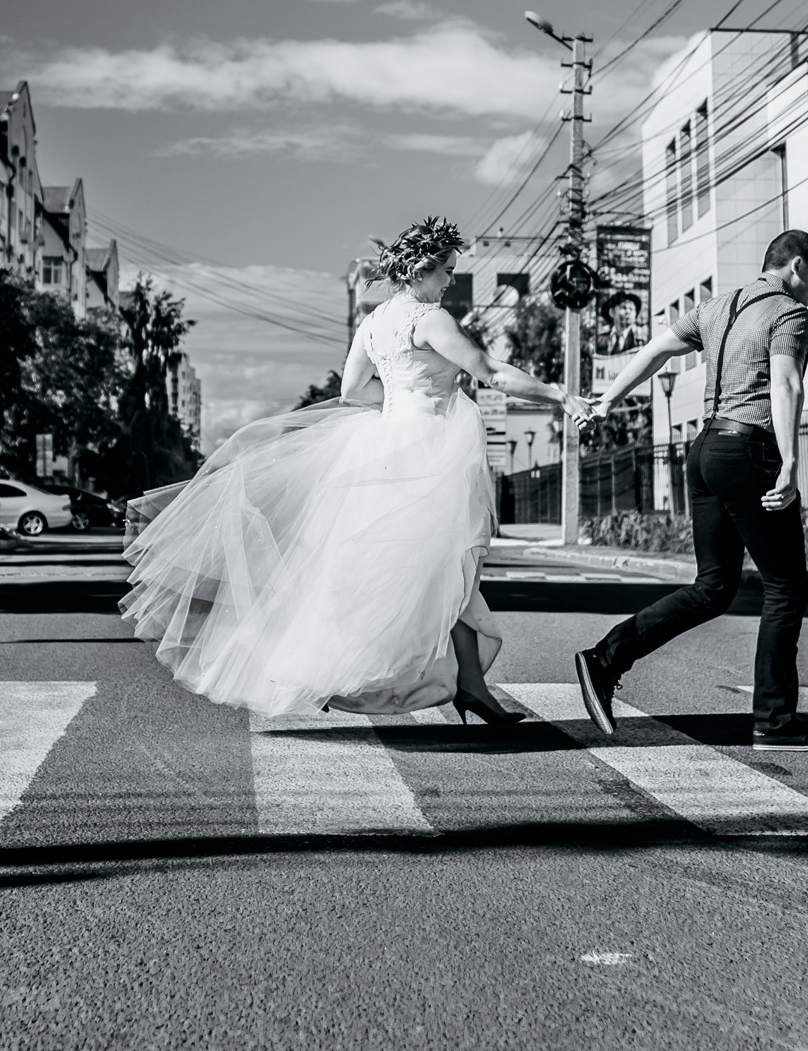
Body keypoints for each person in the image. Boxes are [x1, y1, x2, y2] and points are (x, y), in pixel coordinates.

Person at [122, 217, 577, 725]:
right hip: (428, 454)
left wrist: (400, 400)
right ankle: (425, 681)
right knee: (442, 571)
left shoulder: (373, 323)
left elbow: (352, 392)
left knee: (395, 572)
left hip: (382, 447)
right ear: (422, 269)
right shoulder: (431, 320)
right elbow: (490, 372)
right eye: (447, 271)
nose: (450, 280)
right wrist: (557, 394)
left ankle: (466, 684)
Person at [574, 229, 808, 750]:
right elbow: (786, 384)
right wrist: (790, 463)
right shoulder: (790, 314)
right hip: (749, 451)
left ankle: (605, 660)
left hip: (705, 453)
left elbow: (656, 351)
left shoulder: (719, 306)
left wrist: (607, 399)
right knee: (786, 588)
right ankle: (775, 721)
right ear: (795, 266)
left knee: (714, 587)